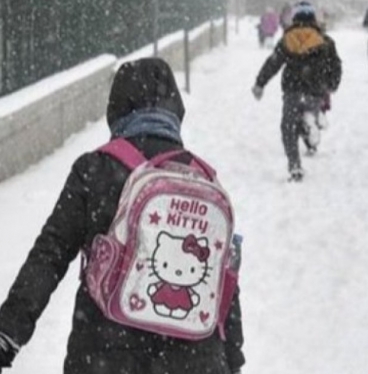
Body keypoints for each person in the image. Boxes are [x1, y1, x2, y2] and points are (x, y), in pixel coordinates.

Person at [0, 58, 245, 373]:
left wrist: (9, 330)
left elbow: (50, 254)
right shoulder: (204, 180)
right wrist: (231, 359)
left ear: (116, 108)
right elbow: (225, 282)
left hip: (106, 351)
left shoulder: (95, 169)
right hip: (194, 359)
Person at [252, 1, 342, 182]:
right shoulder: (325, 41)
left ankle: (294, 165)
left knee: (288, 127)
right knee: (309, 112)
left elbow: (273, 63)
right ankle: (313, 121)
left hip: (292, 90)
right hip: (315, 91)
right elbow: (335, 66)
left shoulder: (287, 39)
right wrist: (331, 85)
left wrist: (260, 83)